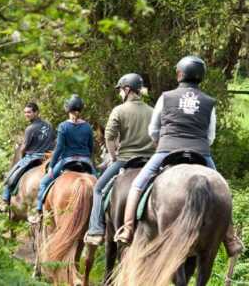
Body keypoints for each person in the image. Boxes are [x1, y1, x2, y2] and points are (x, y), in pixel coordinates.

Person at [115, 56, 244, 257]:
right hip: (200, 151)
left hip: (168, 149)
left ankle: (128, 229)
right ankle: (230, 238)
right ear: (201, 77)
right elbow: (210, 136)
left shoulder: (166, 97)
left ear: (179, 74)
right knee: (223, 189)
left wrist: (160, 142)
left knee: (137, 184)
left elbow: (153, 129)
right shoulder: (209, 102)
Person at [84, 73, 155, 246]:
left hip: (125, 160)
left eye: (121, 90)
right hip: (149, 162)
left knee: (99, 188)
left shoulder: (119, 110)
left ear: (127, 89)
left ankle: (96, 230)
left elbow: (109, 136)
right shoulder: (152, 111)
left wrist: (114, 156)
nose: (120, 94)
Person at [28, 94, 95, 223]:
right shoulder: (87, 127)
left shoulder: (63, 126)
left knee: (43, 183)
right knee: (99, 188)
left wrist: (52, 166)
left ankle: (38, 212)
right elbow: (91, 147)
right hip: (85, 161)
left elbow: (58, 149)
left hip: (67, 161)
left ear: (67, 109)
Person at [0, 102, 55, 212]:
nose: (26, 114)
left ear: (36, 112)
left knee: (11, 176)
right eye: (25, 112)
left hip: (33, 157)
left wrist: (22, 157)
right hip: (49, 156)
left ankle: (4, 200)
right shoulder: (49, 125)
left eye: (29, 112)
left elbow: (24, 147)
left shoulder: (30, 128)